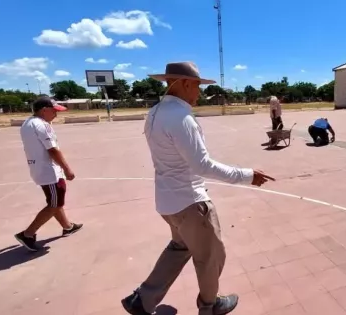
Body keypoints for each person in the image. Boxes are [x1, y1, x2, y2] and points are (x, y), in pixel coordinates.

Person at [121, 62, 275, 315]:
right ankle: (210, 305)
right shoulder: (181, 118)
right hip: (191, 203)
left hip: (167, 202)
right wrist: (247, 175)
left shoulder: (155, 112)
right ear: (182, 83)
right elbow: (202, 165)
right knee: (211, 256)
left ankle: (143, 299)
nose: (199, 92)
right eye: (197, 86)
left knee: (179, 247)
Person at [15, 96, 83, 252]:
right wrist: (67, 169)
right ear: (44, 110)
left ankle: (67, 226)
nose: (56, 114)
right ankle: (28, 234)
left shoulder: (27, 123)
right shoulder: (43, 125)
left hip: (38, 168)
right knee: (55, 203)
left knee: (55, 200)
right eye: (54, 111)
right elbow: (52, 150)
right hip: (49, 171)